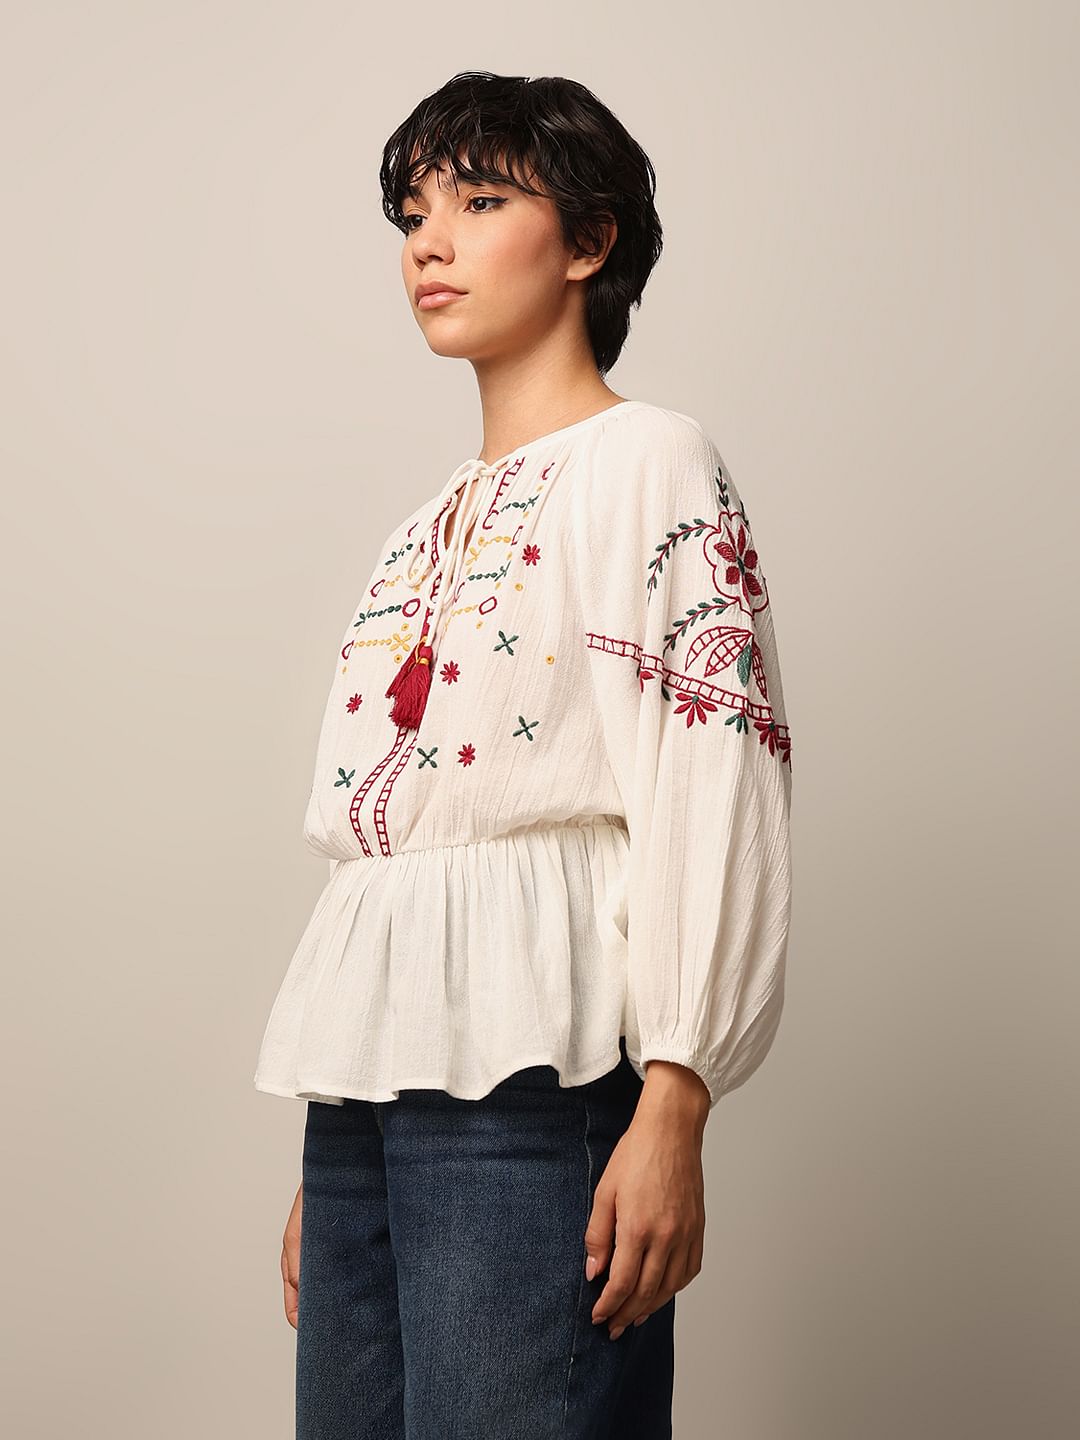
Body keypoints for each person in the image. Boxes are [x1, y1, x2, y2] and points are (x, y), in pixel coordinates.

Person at [253, 70, 793, 1439]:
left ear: (589, 241)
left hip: (539, 1088)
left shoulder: (654, 462)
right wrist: (347, 1145)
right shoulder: (418, 525)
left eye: (481, 202)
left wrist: (675, 1098)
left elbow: (712, 775)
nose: (428, 244)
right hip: (373, 1104)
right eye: (414, 214)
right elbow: (396, 851)